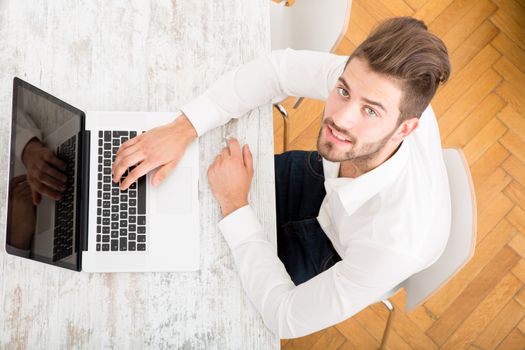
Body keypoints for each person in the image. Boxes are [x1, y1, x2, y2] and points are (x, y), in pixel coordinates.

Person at [112, 17, 451, 338]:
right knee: (178, 205)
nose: (340, 119)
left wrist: (234, 205)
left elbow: (284, 317)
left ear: (405, 129)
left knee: (201, 290)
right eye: (343, 92)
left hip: (339, 250)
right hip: (327, 182)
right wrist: (182, 129)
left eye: (370, 111)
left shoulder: (393, 244)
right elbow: (276, 71)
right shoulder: (371, 85)